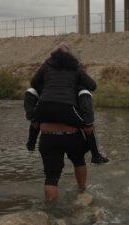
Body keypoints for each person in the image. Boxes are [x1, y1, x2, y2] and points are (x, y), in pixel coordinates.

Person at [31, 42, 97, 201]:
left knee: (51, 177)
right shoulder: (75, 69)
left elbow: (34, 83)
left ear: (53, 55)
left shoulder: (47, 67)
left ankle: (52, 213)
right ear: (70, 56)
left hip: (47, 135)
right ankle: (82, 191)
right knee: (79, 160)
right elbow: (92, 86)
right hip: (71, 134)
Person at [23, 86, 109, 164]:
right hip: (68, 112)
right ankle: (96, 156)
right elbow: (86, 112)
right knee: (89, 125)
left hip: (47, 111)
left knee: (36, 118)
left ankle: (31, 144)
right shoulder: (75, 82)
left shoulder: (47, 81)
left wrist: (31, 115)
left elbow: (30, 92)